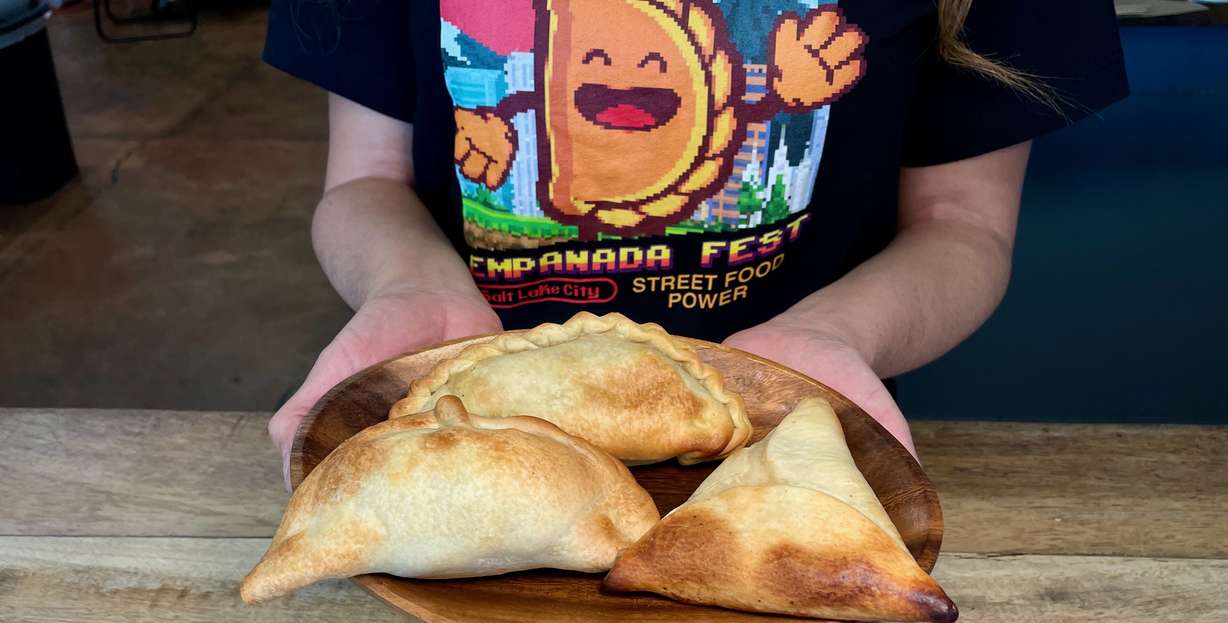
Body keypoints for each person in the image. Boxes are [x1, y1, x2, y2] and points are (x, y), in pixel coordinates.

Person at [263, 0, 1127, 483]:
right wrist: (408, 285)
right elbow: (365, 181)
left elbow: (961, 223)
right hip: (461, 432)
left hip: (788, 440)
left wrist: (829, 340)